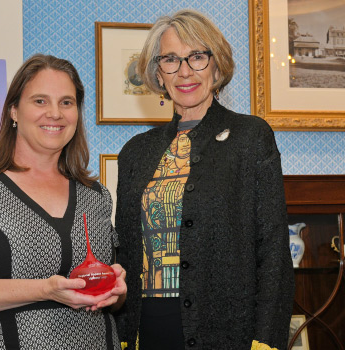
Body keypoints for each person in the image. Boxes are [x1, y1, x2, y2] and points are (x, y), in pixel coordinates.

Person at [114, 9, 294, 350]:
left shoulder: (250, 137)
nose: (184, 71)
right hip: (149, 327)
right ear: (158, 72)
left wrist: (266, 340)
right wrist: (123, 334)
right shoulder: (135, 152)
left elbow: (273, 252)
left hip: (228, 331)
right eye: (170, 59)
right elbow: (125, 252)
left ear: (216, 64)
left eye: (196, 56)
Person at [0, 54, 126, 349]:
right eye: (40, 101)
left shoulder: (96, 196)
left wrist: (116, 290)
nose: (55, 113)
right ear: (14, 110)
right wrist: (46, 289)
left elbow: (114, 302)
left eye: (66, 102)